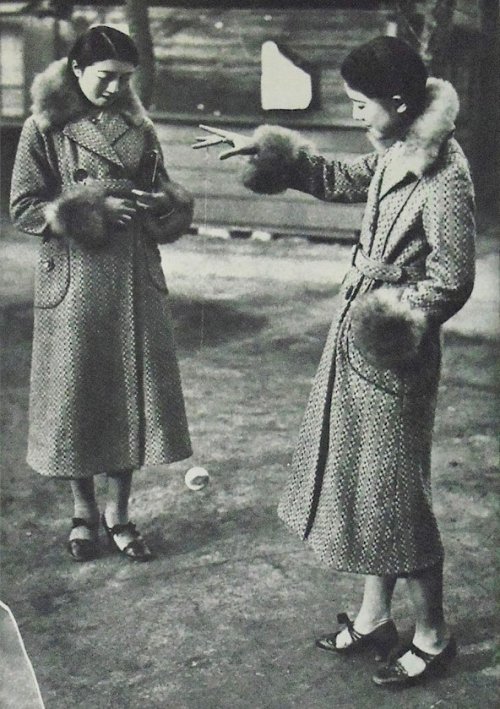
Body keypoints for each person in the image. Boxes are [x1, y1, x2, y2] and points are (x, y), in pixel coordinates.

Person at [193, 36, 475, 687]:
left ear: (399, 102)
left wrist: (392, 318)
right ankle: (377, 616)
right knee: (369, 483)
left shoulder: (444, 173)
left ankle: (432, 633)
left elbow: (453, 279)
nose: (353, 115)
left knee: (399, 495)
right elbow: (346, 177)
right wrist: (274, 156)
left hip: (392, 348)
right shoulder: (397, 147)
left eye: (358, 104)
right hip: (358, 333)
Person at [10, 26, 194, 563]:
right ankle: (82, 512)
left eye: (124, 79)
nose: (115, 88)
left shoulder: (140, 126)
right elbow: (23, 208)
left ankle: (120, 512)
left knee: (126, 392)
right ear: (76, 70)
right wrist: (91, 210)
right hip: (74, 280)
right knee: (77, 396)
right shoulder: (43, 127)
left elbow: (166, 189)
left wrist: (163, 205)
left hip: (133, 275)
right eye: (105, 77)